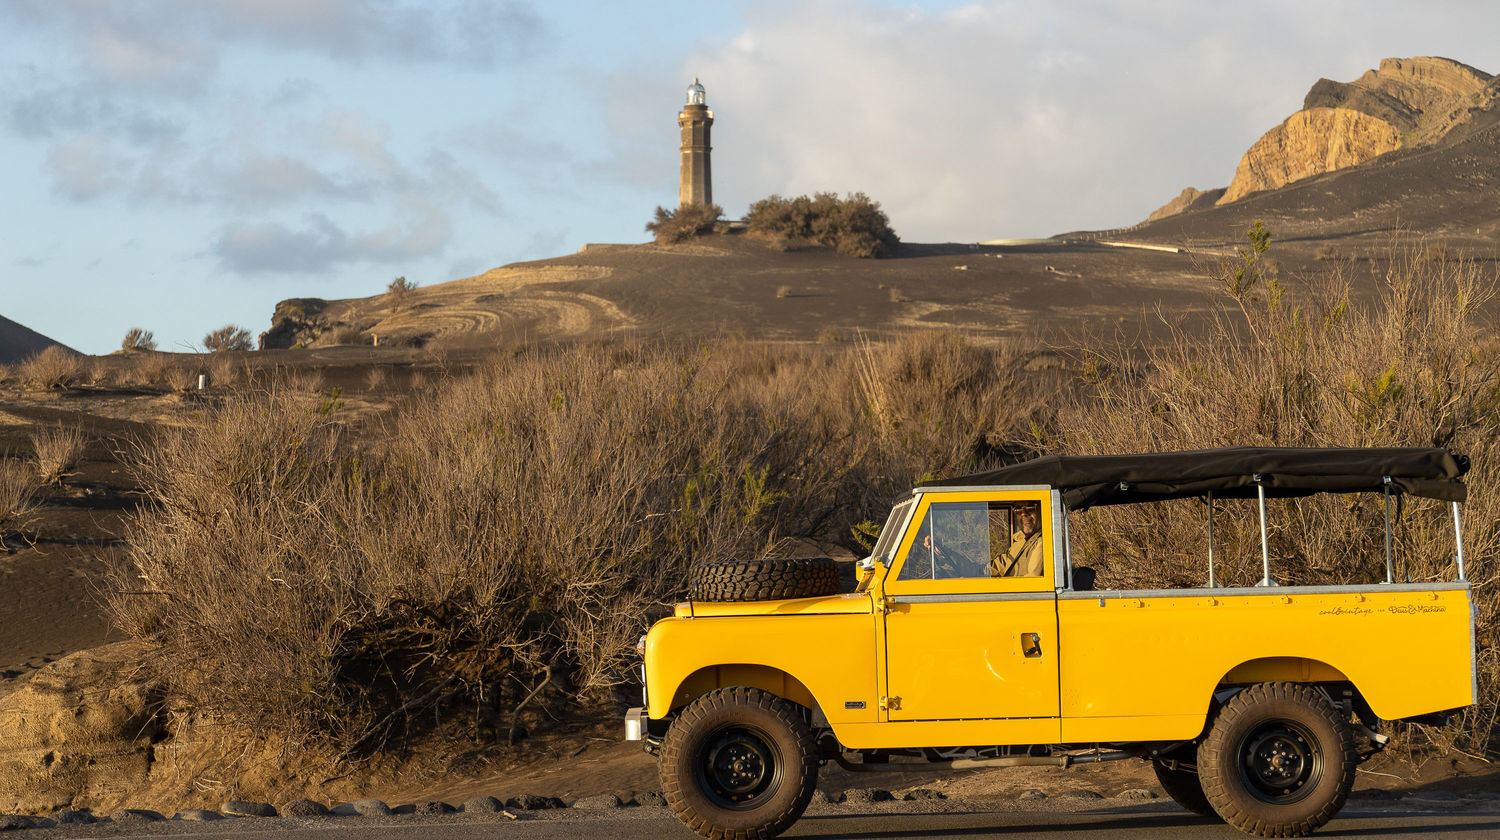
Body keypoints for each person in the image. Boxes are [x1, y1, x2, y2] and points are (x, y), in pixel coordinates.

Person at [990, 502, 1044, 577]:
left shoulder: (1043, 543)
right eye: (1018, 509)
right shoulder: (1020, 541)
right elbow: (998, 566)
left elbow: (1032, 580)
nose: (1023, 513)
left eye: (1030, 507)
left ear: (1041, 510)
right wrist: (973, 568)